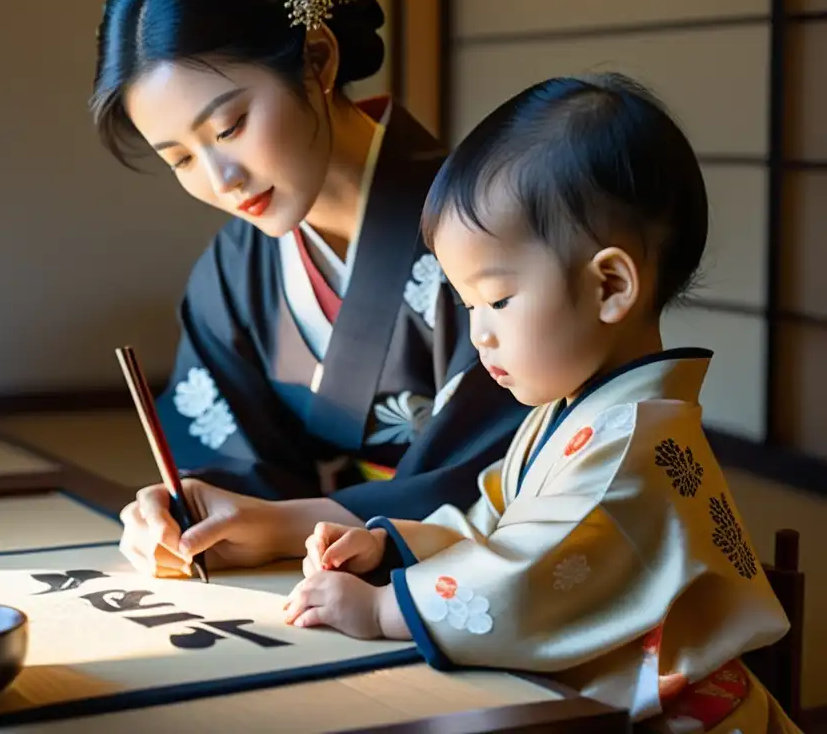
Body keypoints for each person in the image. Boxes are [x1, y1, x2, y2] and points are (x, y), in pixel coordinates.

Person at [283, 73, 800, 733]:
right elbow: (493, 528)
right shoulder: (572, 419)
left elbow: (524, 581)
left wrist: (385, 611)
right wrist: (391, 549)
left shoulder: (626, 449)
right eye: (469, 305)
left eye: (497, 299)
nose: (479, 332)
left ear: (610, 285)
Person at [91, 0, 528, 577]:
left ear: (317, 60)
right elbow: (229, 461)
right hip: (320, 580)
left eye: (230, 127)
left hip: (469, 575)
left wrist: (283, 526)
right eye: (183, 158)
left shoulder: (489, 226)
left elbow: (502, 475)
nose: (223, 180)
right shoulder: (231, 273)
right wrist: (187, 508)